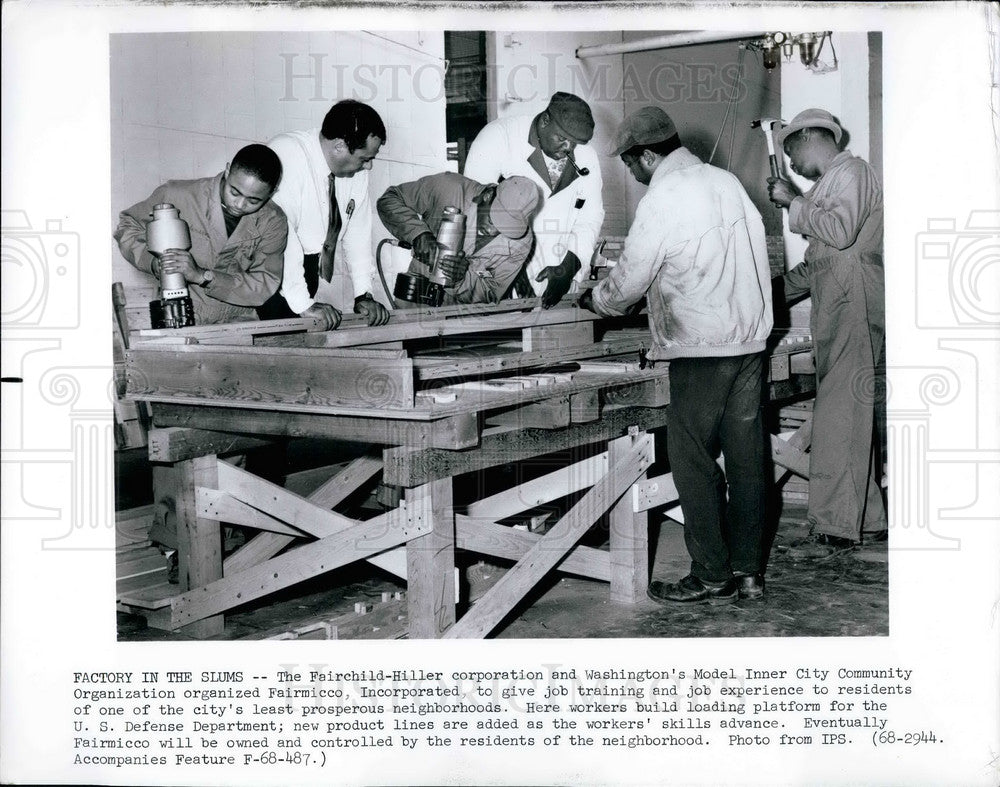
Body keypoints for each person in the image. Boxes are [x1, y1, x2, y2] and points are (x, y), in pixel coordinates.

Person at [579, 107, 773, 605]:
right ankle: (749, 573)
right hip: (750, 343)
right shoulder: (726, 182)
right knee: (748, 459)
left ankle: (711, 573)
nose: (634, 176)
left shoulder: (664, 197)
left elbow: (629, 280)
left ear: (646, 155)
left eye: (631, 166)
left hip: (701, 348)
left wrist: (594, 301)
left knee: (691, 458)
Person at [767, 108, 887, 552]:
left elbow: (837, 233)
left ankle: (836, 525)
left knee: (840, 418)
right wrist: (766, 292)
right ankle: (869, 519)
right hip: (841, 311)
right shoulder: (829, 187)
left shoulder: (853, 172)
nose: (792, 164)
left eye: (791, 152)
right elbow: (817, 266)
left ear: (811, 137)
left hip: (854, 308)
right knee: (848, 418)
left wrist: (791, 201)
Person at [114, 144, 287, 325]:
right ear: (227, 171)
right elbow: (128, 225)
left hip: (240, 319)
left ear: (272, 192)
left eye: (254, 200)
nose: (240, 204)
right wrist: (153, 262)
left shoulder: (273, 221)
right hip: (180, 313)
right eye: (234, 192)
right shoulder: (179, 194)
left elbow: (265, 282)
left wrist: (202, 276)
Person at [464, 91, 604, 308]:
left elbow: (590, 218)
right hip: (501, 277)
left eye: (574, 142)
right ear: (545, 121)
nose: (569, 148)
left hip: (559, 277)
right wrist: (514, 271)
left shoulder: (587, 156)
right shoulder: (499, 136)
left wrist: (568, 268)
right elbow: (477, 212)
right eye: (562, 138)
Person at [261, 99, 391, 330]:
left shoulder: (356, 173)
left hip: (304, 268)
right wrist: (302, 303)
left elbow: (358, 233)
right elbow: (283, 232)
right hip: (266, 269)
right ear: (339, 146)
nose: (369, 167)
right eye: (365, 159)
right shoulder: (287, 153)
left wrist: (364, 295)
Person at [376, 172, 542, 305]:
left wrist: (462, 279)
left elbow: (492, 292)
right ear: (488, 195)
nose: (492, 231)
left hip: (465, 317)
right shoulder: (449, 188)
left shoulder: (522, 243)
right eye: (493, 219)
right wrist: (418, 234)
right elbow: (389, 199)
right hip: (417, 296)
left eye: (506, 229)